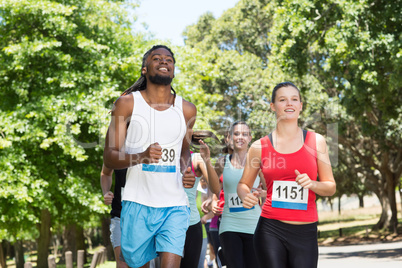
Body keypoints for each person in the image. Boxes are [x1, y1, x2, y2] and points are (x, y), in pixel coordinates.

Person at [103, 45, 197, 268]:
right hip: (138, 203)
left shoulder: (187, 110)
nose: (164, 62)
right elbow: (109, 157)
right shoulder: (126, 104)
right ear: (145, 69)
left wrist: (186, 171)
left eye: (169, 59)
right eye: (157, 58)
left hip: (175, 204)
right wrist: (141, 157)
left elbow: (184, 151)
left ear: (173, 69)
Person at [237, 82, 336, 268]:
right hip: (270, 228)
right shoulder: (259, 146)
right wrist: (246, 195)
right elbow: (243, 184)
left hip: (305, 231)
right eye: (282, 100)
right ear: (273, 106)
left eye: (294, 99)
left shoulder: (317, 141)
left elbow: (330, 187)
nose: (289, 104)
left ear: (300, 106)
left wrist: (312, 184)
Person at [200, 121, 262, 268]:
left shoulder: (258, 162)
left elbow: (267, 193)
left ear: (250, 138)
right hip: (229, 225)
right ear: (229, 138)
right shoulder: (222, 162)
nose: (240, 137)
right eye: (236, 134)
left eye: (244, 134)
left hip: (254, 225)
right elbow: (215, 189)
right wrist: (213, 201)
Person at [181, 151, 220, 268]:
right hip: (163, 223)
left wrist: (211, 197)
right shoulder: (162, 153)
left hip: (191, 225)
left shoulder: (196, 158)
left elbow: (215, 186)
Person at [100, 165, 129, 268]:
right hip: (120, 215)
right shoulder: (116, 149)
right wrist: (106, 192)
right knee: (122, 263)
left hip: (147, 216)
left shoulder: (150, 150)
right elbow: (105, 173)